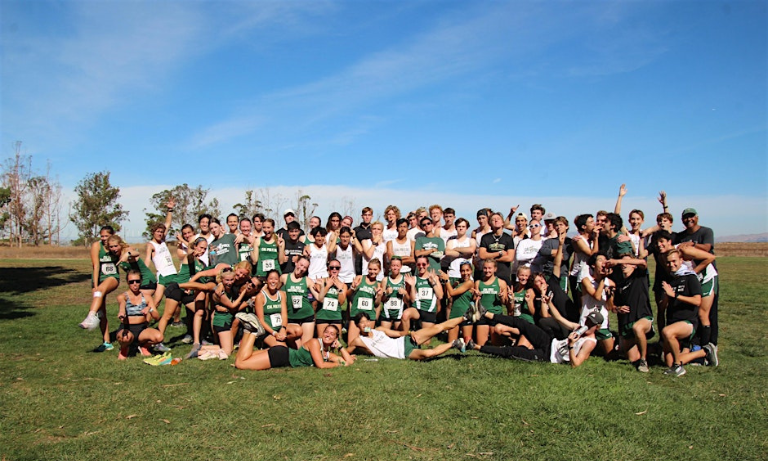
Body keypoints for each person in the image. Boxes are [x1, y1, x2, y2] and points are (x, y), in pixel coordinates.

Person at [467, 305, 603, 368]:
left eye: (591, 324)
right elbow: (560, 319)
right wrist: (549, 303)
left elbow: (576, 364)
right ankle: (486, 314)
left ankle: (476, 347)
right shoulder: (579, 328)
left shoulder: (590, 342)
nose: (587, 324)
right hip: (550, 342)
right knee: (522, 323)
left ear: (597, 327)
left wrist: (572, 345)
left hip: (549, 356)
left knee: (513, 352)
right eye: (587, 320)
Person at [234, 319, 355, 371]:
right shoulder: (314, 343)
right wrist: (336, 364)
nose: (328, 335)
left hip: (281, 353)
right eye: (326, 332)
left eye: (332, 334)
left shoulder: (326, 353)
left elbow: (348, 362)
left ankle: (248, 330)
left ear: (336, 338)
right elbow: (321, 365)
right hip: (281, 356)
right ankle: (254, 332)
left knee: (243, 358)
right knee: (240, 364)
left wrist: (340, 347)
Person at [348, 312, 469, 360]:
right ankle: (455, 343)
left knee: (437, 328)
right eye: (361, 323)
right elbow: (346, 351)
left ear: (370, 322)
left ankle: (465, 317)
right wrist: (348, 357)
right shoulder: (359, 340)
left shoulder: (379, 329)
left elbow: (400, 333)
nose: (365, 324)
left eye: (366, 321)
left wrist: (412, 333)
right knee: (428, 354)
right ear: (358, 326)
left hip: (404, 341)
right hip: (402, 353)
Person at [609, 254, 654, 372]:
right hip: (627, 323)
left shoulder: (640, 276)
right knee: (632, 358)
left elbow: (643, 263)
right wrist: (618, 308)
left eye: (628, 263)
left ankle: (644, 360)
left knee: (638, 328)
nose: (624, 265)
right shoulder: (620, 284)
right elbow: (612, 308)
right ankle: (654, 349)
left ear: (634, 266)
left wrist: (617, 260)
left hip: (643, 318)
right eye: (622, 263)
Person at [660, 249, 702, 377]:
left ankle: (678, 366)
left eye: (674, 261)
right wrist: (667, 296)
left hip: (688, 322)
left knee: (668, 332)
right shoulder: (671, 280)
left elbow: (697, 301)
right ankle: (703, 353)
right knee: (668, 362)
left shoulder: (690, 277)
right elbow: (662, 307)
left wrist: (675, 295)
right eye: (668, 262)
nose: (671, 264)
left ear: (681, 260)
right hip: (673, 321)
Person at [196, 267, 252, 360]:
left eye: (231, 280)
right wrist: (244, 292)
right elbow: (233, 305)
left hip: (226, 320)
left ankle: (202, 347)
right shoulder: (220, 292)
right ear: (221, 280)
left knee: (227, 348)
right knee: (227, 352)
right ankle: (198, 352)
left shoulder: (229, 288)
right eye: (226, 280)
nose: (229, 283)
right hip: (221, 322)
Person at [79, 226, 117, 351]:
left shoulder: (116, 244)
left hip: (112, 278)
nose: (104, 239)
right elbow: (96, 266)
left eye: (107, 236)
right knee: (102, 312)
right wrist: (95, 286)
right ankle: (107, 342)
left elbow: (131, 251)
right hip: (98, 280)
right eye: (102, 236)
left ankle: (90, 316)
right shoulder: (96, 246)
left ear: (112, 235)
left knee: (99, 294)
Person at [116, 270, 163, 360]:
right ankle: (124, 348)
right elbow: (122, 304)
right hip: (127, 328)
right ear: (127, 282)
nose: (135, 284)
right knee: (125, 338)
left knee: (159, 337)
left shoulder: (147, 297)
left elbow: (157, 317)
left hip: (141, 329)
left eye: (137, 281)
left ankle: (143, 346)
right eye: (131, 282)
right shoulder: (123, 296)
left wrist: (150, 309)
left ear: (141, 281)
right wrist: (122, 312)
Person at [250, 270, 302, 349]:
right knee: (281, 348)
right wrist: (274, 333)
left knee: (298, 330)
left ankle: (287, 341)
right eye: (271, 279)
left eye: (276, 279)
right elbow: (261, 320)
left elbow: (284, 314)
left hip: (279, 327)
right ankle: (265, 342)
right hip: (268, 331)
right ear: (267, 280)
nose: (273, 281)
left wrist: (283, 328)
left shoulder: (281, 294)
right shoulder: (260, 297)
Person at [145, 198, 177, 306]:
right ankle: (147, 319)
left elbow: (167, 223)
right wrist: (144, 273)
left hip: (172, 272)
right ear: (153, 232)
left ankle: (176, 321)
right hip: (163, 275)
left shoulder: (163, 241)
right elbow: (147, 261)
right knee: (157, 300)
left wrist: (170, 210)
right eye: (157, 231)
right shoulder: (150, 245)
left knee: (177, 298)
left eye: (161, 232)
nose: (160, 233)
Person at [346, 258, 383, 350]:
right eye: (370, 269)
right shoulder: (359, 278)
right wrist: (352, 288)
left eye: (375, 269)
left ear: (379, 270)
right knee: (351, 344)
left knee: (368, 342)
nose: (372, 271)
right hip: (356, 314)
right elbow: (348, 295)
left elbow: (377, 304)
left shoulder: (379, 284)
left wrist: (378, 295)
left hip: (369, 317)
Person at [400, 255, 443, 333]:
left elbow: (440, 296)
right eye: (419, 264)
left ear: (428, 264)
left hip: (429, 310)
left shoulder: (434, 277)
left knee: (425, 342)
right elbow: (412, 300)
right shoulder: (414, 278)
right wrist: (412, 286)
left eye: (423, 264)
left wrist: (433, 283)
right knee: (405, 314)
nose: (421, 266)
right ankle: (405, 337)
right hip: (417, 309)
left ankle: (418, 326)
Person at [281, 255, 316, 347]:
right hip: (291, 316)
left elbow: (319, 297)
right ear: (296, 263)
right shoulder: (284, 277)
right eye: (301, 265)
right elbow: (273, 290)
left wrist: (325, 287)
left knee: (305, 347)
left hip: (306, 314)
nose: (301, 269)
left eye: (305, 267)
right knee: (297, 346)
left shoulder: (307, 280)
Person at [473, 258, 509, 346]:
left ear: (495, 269)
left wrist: (501, 297)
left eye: (490, 268)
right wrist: (476, 296)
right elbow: (475, 299)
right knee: (481, 345)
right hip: (482, 315)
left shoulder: (501, 282)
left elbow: (505, 302)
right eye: (485, 268)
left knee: (496, 345)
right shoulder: (478, 282)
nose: (487, 270)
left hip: (495, 314)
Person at [442, 261, 475, 344]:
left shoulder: (470, 283)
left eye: (467, 270)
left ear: (471, 271)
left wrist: (447, 281)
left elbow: (452, 293)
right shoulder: (458, 282)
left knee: (468, 343)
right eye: (463, 271)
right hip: (455, 313)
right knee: (451, 343)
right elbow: (448, 295)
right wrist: (448, 284)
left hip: (466, 314)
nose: (465, 273)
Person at [478, 212, 515, 284]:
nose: (496, 220)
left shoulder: (508, 238)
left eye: (498, 219)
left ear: (502, 223)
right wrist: (500, 253)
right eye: (493, 220)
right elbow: (482, 255)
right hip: (488, 274)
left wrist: (491, 258)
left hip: (504, 273)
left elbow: (510, 257)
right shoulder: (485, 237)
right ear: (490, 224)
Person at [314, 260, 348, 338]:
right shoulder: (321, 281)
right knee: (322, 339)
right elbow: (320, 298)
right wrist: (327, 286)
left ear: (340, 269)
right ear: (328, 269)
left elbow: (342, 302)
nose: (334, 270)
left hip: (336, 316)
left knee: (336, 341)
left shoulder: (343, 285)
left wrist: (339, 289)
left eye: (337, 268)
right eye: (332, 267)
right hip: (323, 315)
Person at [379, 257, 409, 331]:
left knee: (399, 335)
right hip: (386, 312)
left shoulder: (405, 280)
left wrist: (405, 293)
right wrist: (386, 293)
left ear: (401, 266)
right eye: (393, 265)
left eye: (397, 266)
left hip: (399, 313)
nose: (395, 268)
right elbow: (381, 300)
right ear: (390, 266)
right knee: (384, 335)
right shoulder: (385, 280)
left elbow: (409, 300)